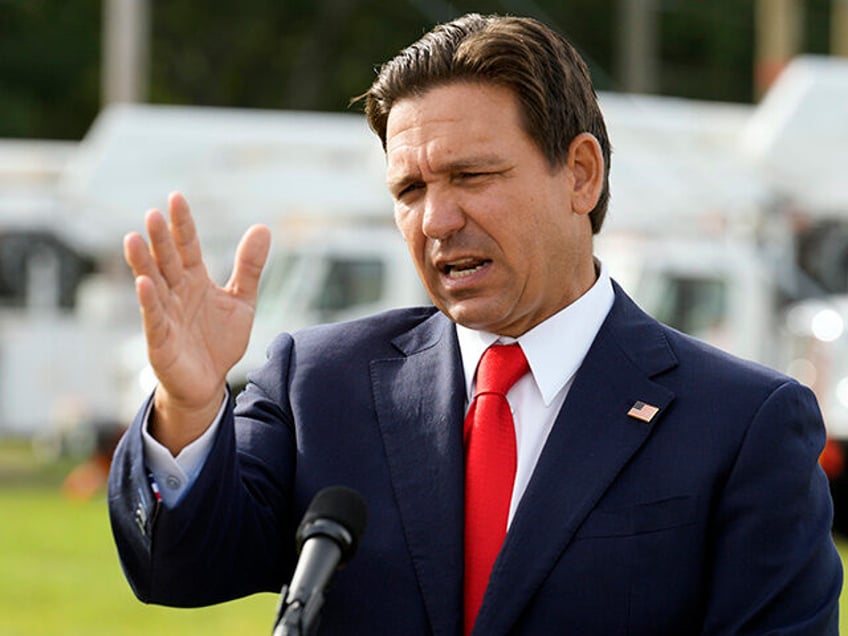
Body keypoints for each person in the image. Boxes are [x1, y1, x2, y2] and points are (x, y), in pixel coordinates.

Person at [108, 13, 842, 635]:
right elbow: (179, 568)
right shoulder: (320, 383)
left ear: (580, 175)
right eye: (410, 188)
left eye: (470, 177)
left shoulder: (743, 424)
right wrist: (192, 407)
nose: (437, 219)